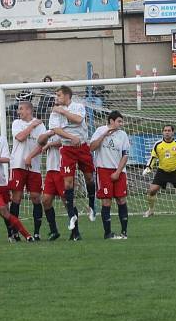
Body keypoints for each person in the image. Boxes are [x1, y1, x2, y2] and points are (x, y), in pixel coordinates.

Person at [49, 85, 97, 241]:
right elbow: (56, 130)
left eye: (59, 95)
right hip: (68, 149)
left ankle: (92, 206)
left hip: (82, 147)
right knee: (68, 183)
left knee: (89, 177)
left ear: (67, 96)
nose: (57, 98)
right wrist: (70, 137)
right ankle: (71, 216)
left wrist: (63, 111)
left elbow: (78, 119)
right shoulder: (54, 112)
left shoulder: (78, 106)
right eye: (56, 95)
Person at [89, 110, 131, 240]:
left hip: (119, 171)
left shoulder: (123, 135)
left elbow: (125, 155)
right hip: (103, 171)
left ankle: (124, 232)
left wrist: (118, 172)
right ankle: (107, 233)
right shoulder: (100, 130)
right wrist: (103, 136)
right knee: (106, 201)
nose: (121, 124)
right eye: (119, 121)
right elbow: (92, 147)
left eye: (121, 121)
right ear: (111, 121)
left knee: (121, 199)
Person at [9, 101, 46, 242]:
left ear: (29, 110)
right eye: (18, 109)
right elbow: (20, 137)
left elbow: (42, 144)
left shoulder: (41, 125)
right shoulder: (17, 123)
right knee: (16, 198)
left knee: (36, 197)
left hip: (33, 166)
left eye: (21, 109)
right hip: (18, 165)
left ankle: (37, 233)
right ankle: (15, 232)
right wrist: (31, 126)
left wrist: (30, 157)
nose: (19, 112)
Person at [36, 130, 64, 241]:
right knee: (46, 201)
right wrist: (49, 134)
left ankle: (75, 232)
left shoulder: (65, 128)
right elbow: (40, 141)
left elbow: (66, 142)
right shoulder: (51, 131)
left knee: (67, 201)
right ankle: (54, 231)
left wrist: (50, 144)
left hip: (62, 169)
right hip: (50, 170)